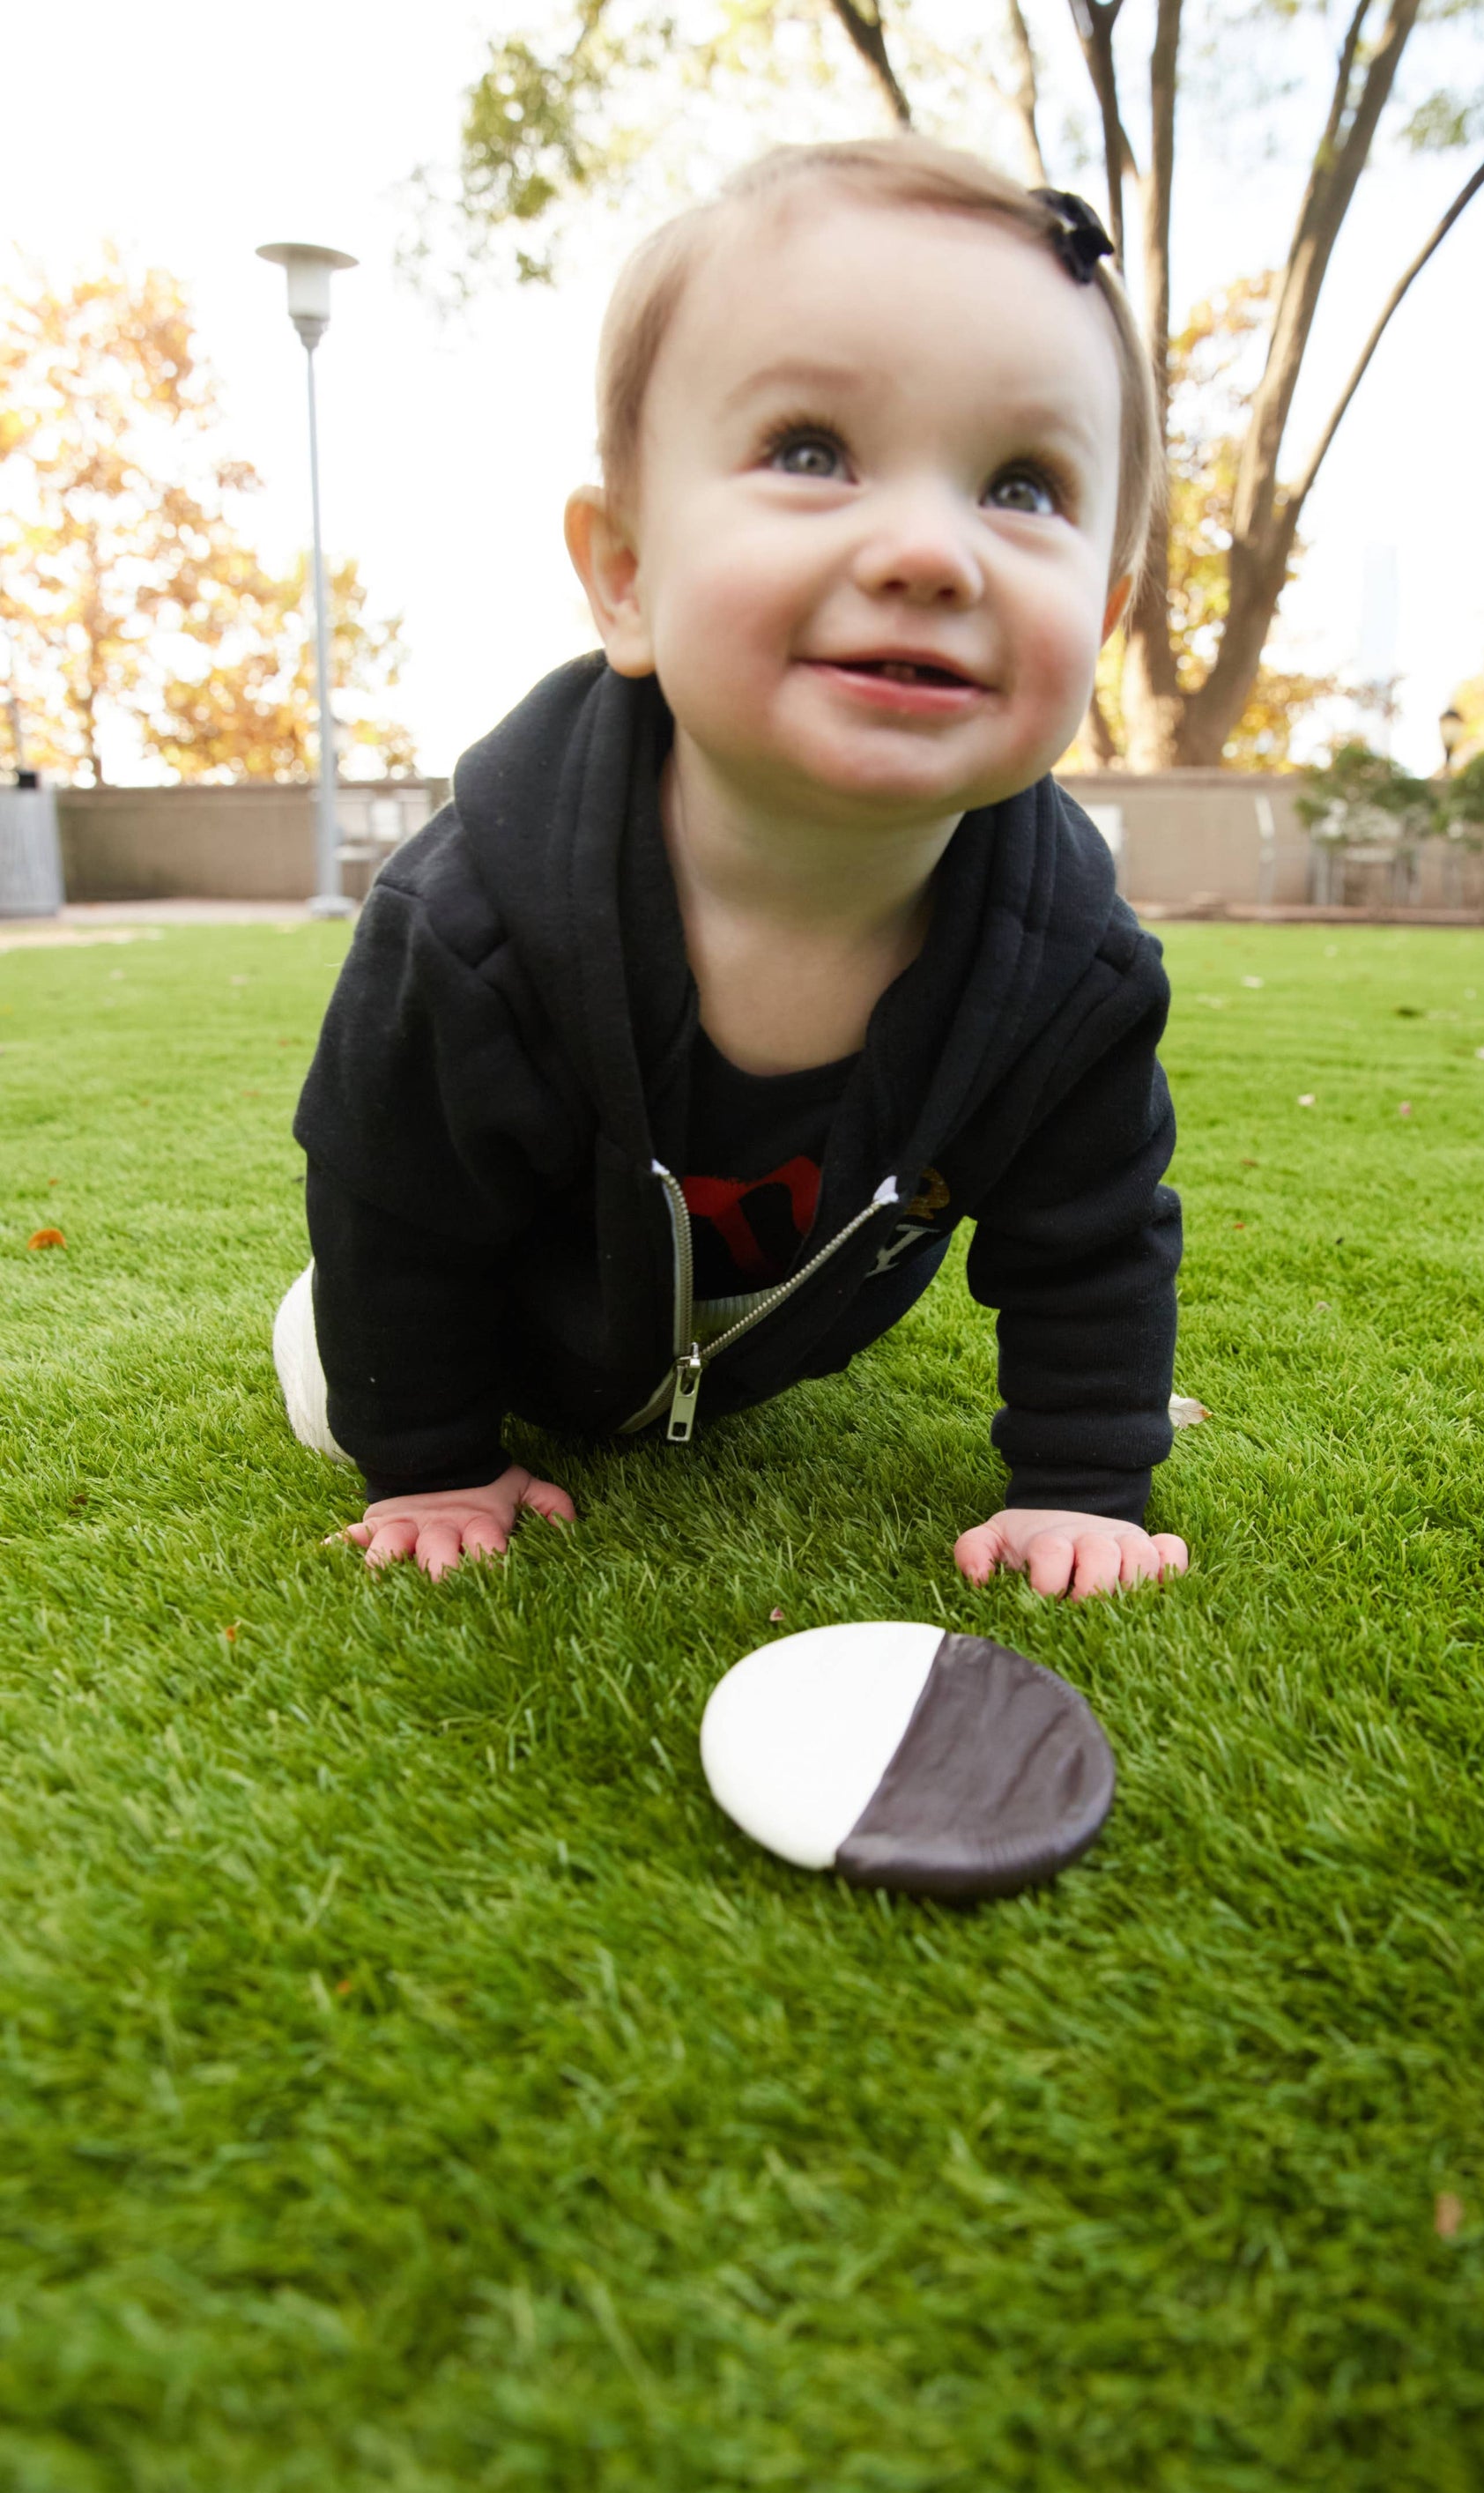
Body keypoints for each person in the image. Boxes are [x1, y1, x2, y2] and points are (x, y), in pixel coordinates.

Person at [277, 136, 1189, 1602]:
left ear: (1105, 603)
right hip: (478, 1317)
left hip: (736, 1341)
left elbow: (1091, 1228)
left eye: (1022, 485)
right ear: (625, 575)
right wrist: (427, 1460)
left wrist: (1085, 1471)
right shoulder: (472, 929)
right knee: (347, 1379)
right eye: (811, 454)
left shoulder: (1067, 972)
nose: (928, 550)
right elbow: (393, 1200)